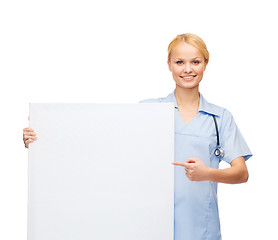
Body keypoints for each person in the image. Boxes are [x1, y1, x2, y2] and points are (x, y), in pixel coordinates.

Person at [23, 33, 252, 240]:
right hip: (148, 225)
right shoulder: (149, 112)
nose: (187, 69)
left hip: (201, 228)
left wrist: (207, 174)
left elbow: (241, 173)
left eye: (195, 61)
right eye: (179, 62)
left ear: (205, 64)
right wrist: (44, 137)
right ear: (169, 65)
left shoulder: (219, 117)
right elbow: (99, 142)